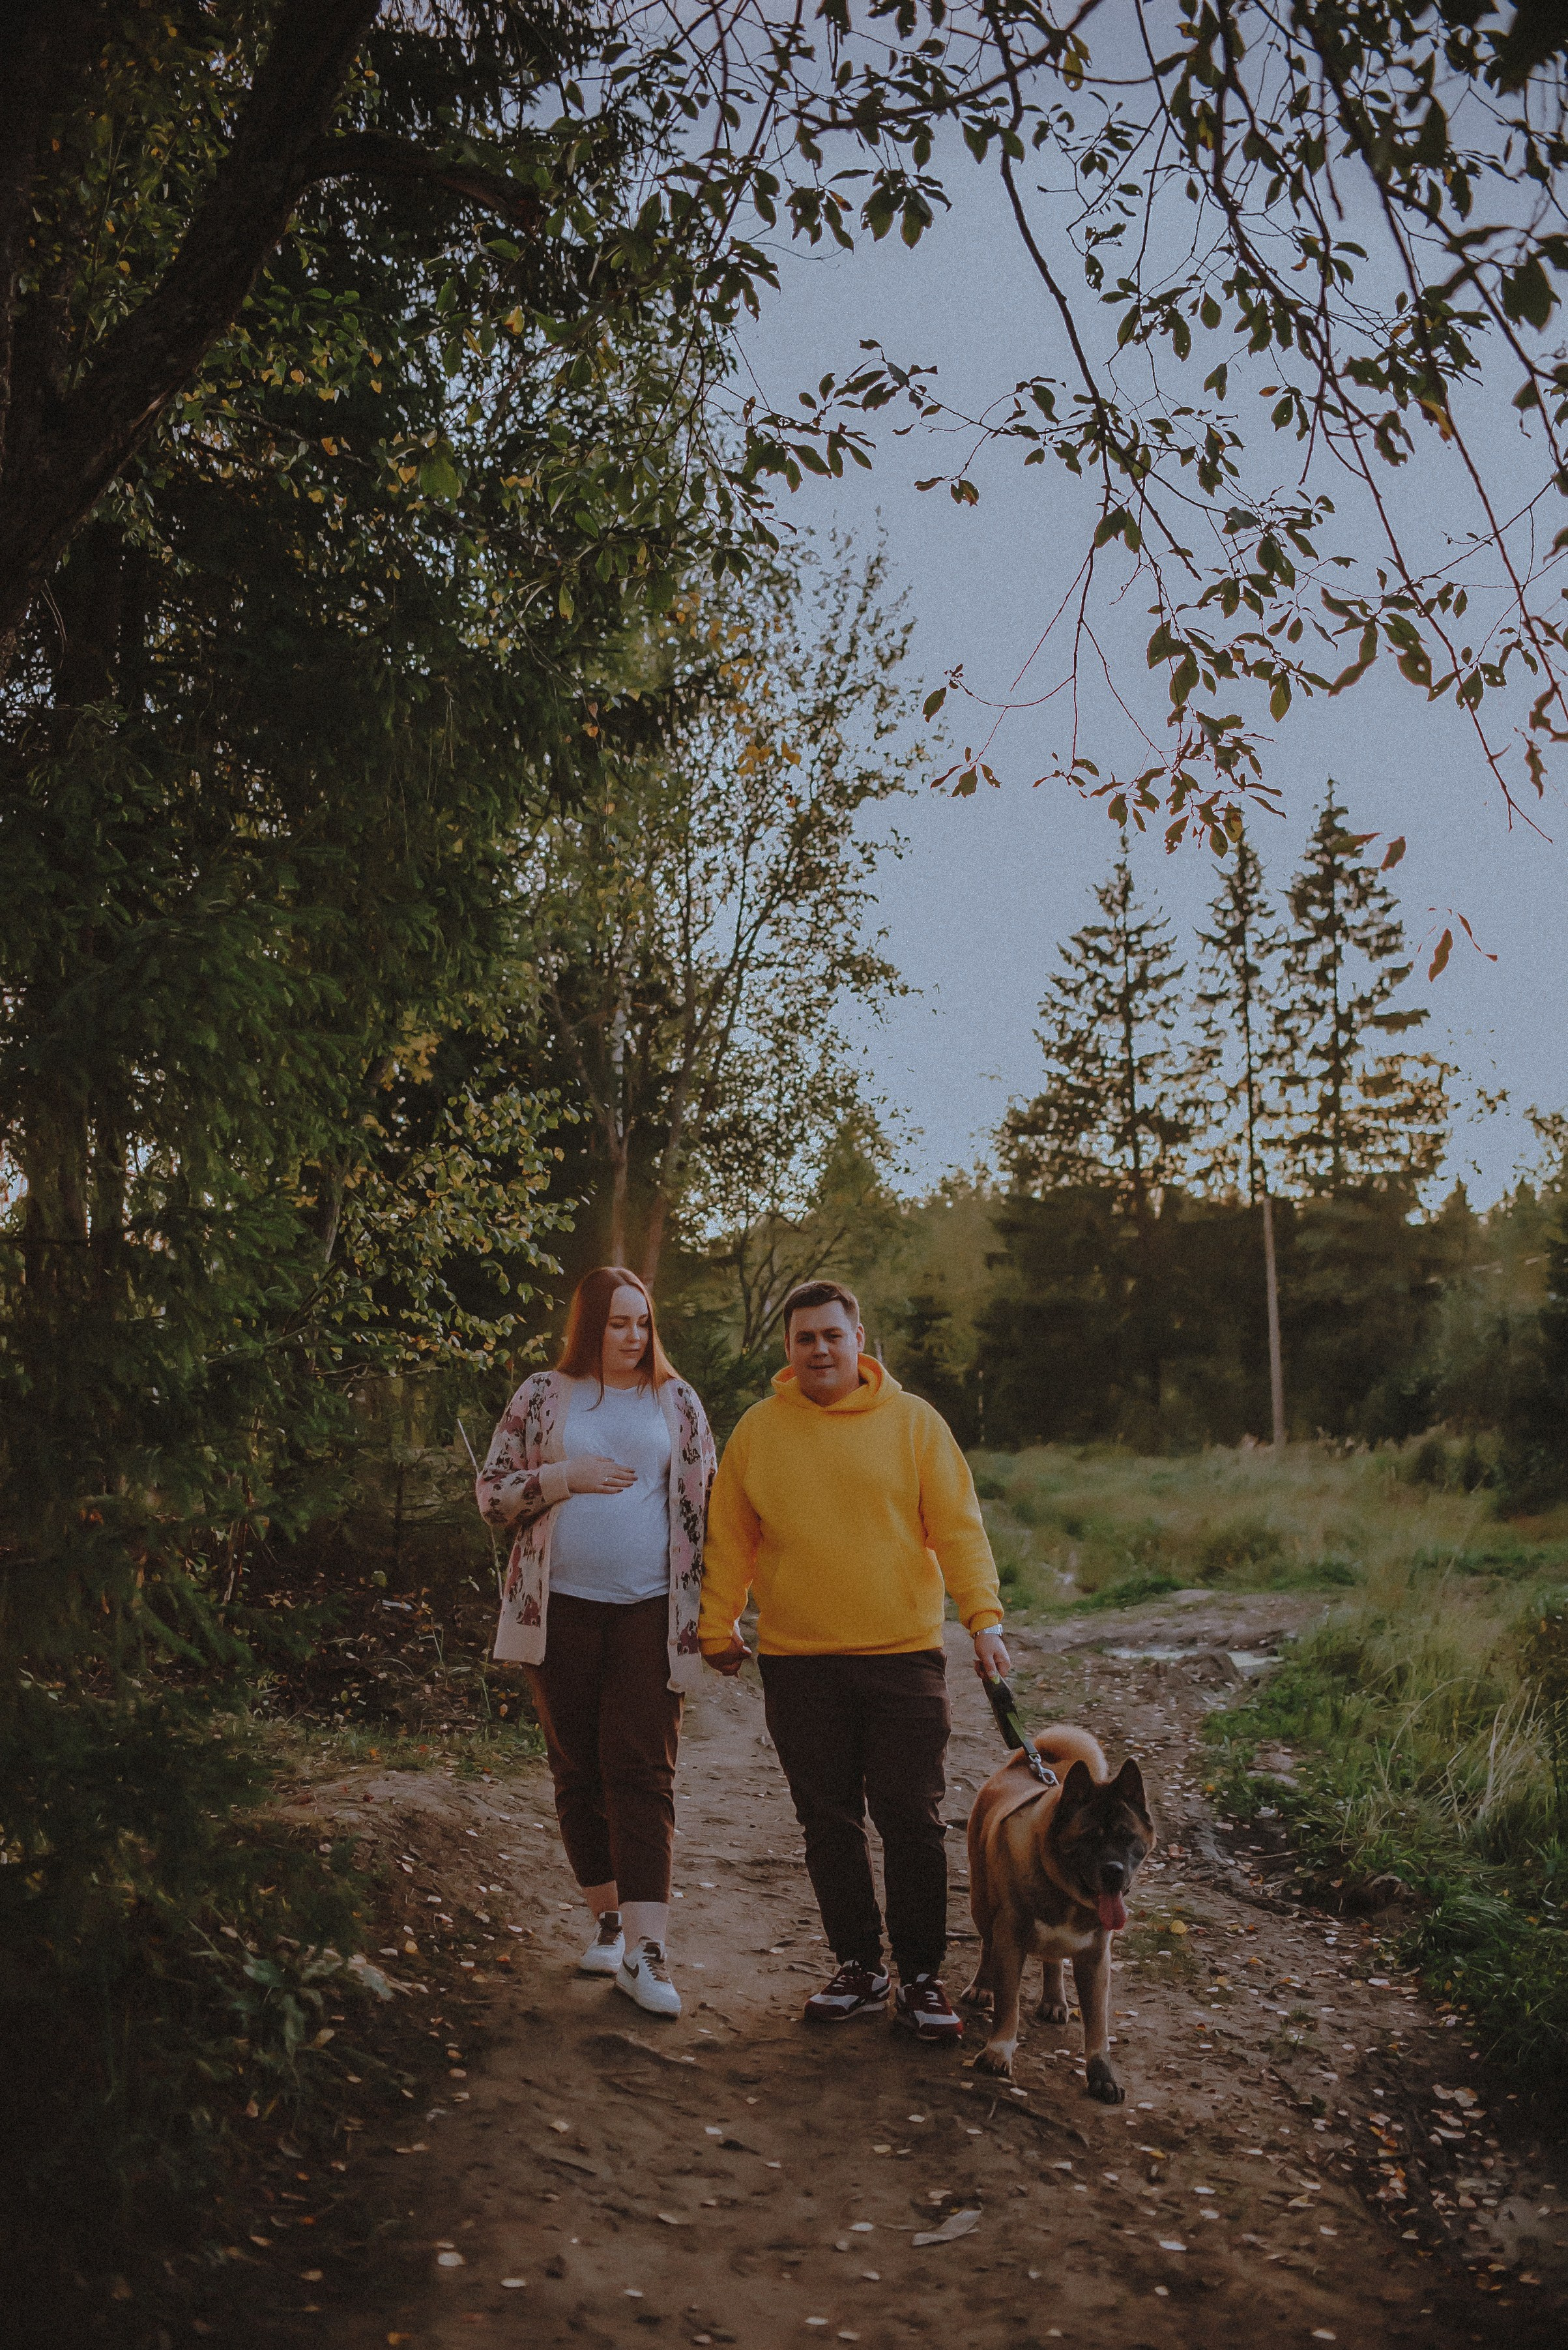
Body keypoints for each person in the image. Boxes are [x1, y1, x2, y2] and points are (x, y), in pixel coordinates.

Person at [699, 1278, 1008, 2043]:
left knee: (912, 1817)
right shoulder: (759, 1431)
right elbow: (730, 1538)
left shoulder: (914, 1422)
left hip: (904, 1657)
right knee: (828, 1821)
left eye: (832, 1335)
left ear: (858, 1339)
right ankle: (859, 1968)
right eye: (805, 1337)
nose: (819, 1349)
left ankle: (923, 1976)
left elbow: (959, 1528)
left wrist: (984, 1619)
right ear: (788, 1347)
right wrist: (717, 1623)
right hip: (800, 1662)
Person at [476, 1267, 716, 2018]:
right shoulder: (543, 1394)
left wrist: (724, 1609)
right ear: (589, 1325)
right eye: (618, 1322)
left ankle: (648, 1952)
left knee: (642, 1770)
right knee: (578, 1768)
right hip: (558, 1612)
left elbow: (709, 1504)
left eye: (643, 1321)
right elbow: (491, 1495)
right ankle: (610, 1924)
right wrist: (563, 1476)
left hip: (651, 1610)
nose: (634, 1335)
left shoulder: (676, 1400)